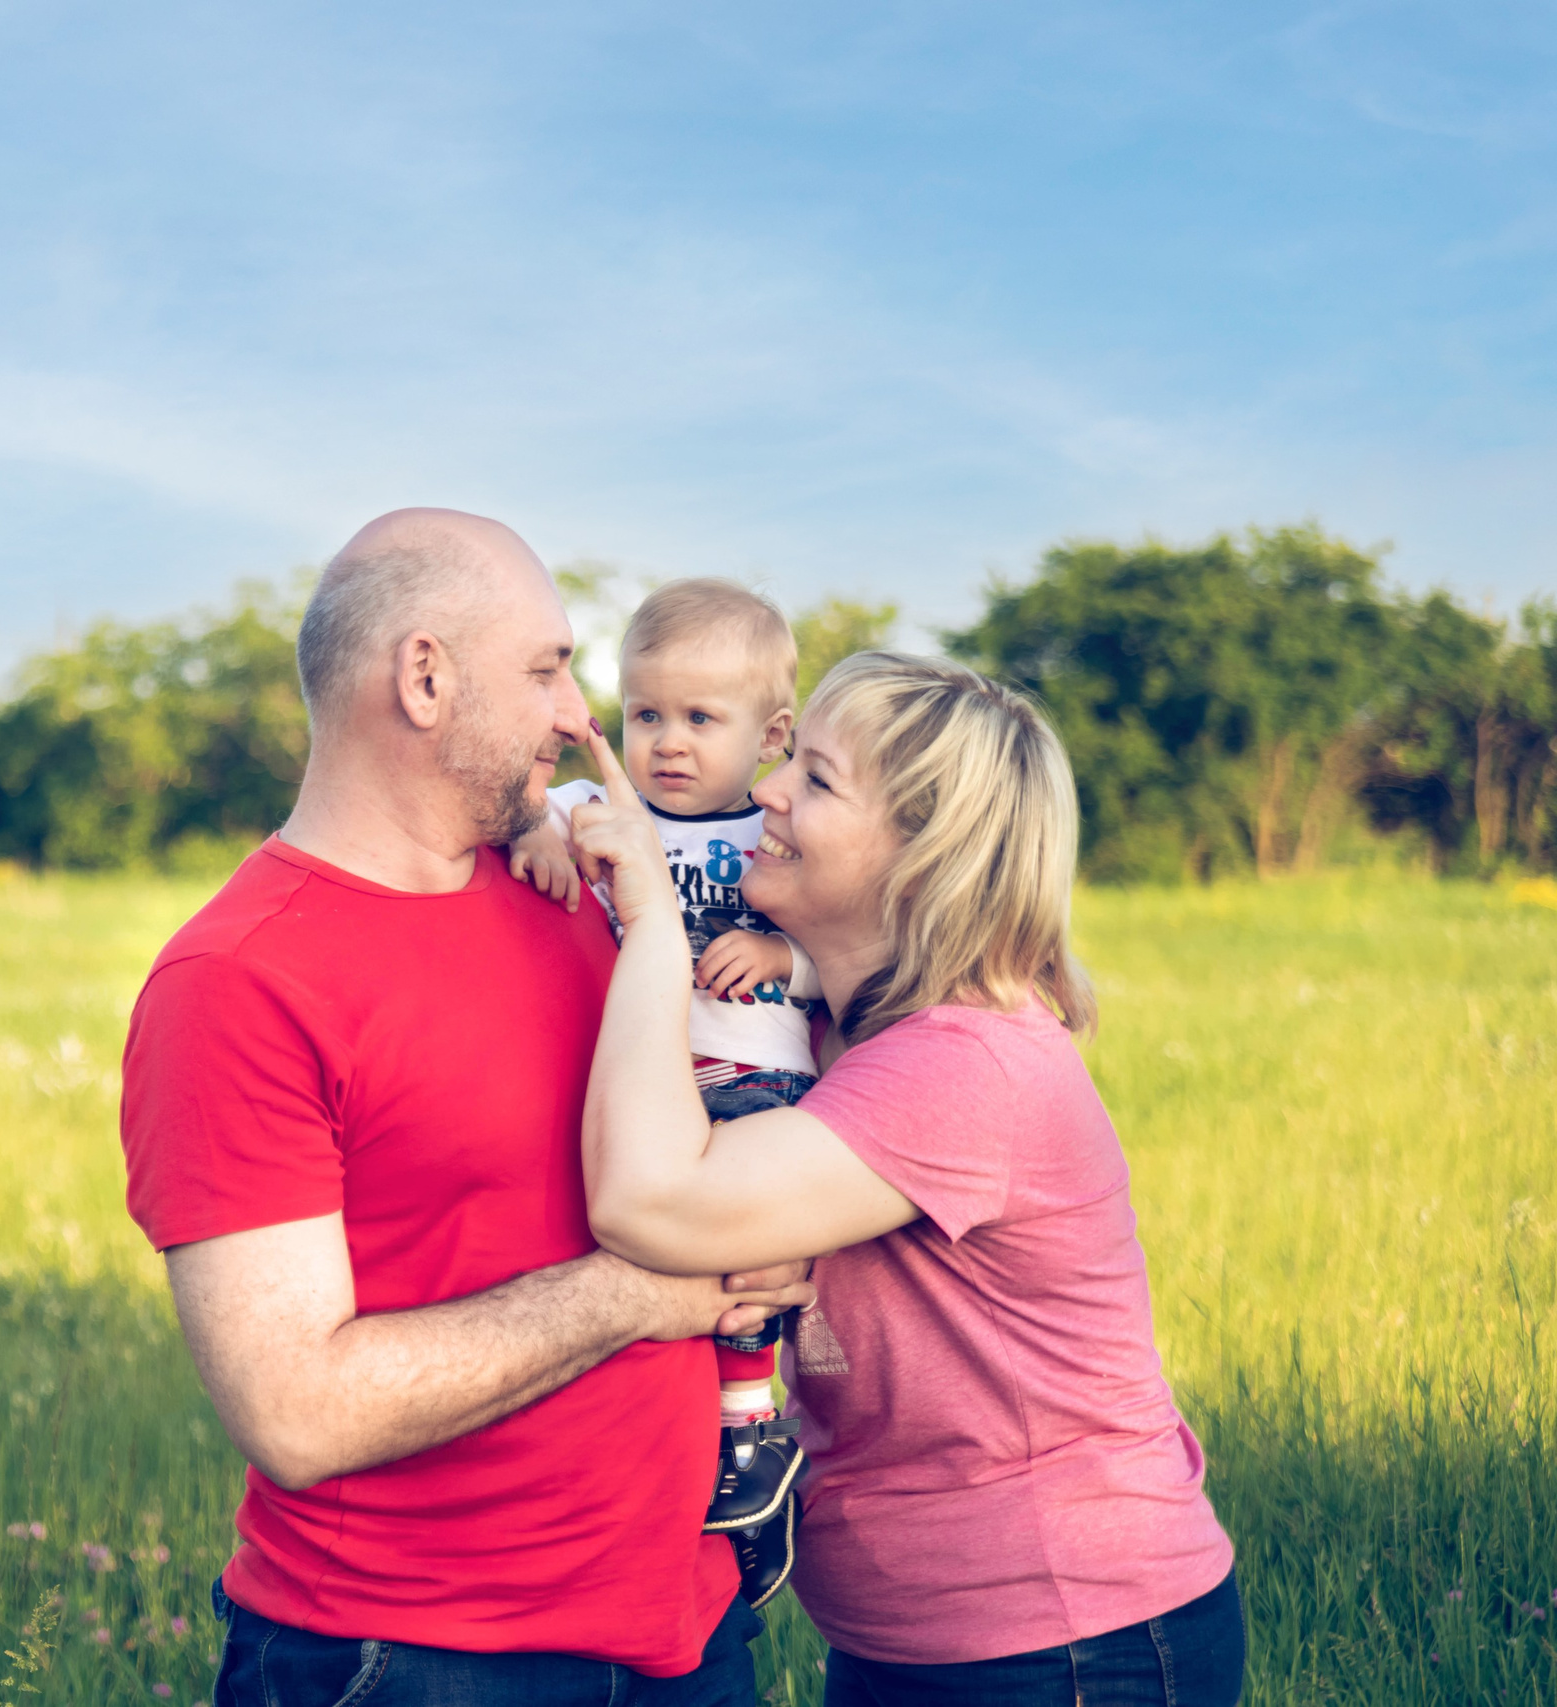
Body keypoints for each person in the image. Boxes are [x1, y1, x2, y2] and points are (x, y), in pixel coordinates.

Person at [118, 508, 816, 1706]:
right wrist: (647, 1293)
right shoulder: (237, 982)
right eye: (546, 668)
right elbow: (296, 1410)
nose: (576, 714)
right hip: (414, 1658)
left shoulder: (586, 894)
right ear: (425, 677)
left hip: (687, 1634)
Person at [567, 652, 1246, 1707]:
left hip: (1065, 1642)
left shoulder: (961, 1062)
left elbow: (648, 1202)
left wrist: (656, 924)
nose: (768, 790)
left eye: (819, 779)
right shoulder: (828, 1031)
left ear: (920, 859)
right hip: (931, 1638)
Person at [508, 577, 826, 1605]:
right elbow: (531, 817)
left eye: (700, 718)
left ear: (772, 735)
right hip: (642, 1084)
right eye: (646, 715)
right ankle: (666, 1443)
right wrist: (534, 844)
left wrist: (780, 954)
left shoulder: (777, 840)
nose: (668, 743)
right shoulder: (601, 809)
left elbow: (849, 953)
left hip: (752, 1080)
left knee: (737, 1265)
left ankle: (750, 1436)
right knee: (623, 1247)